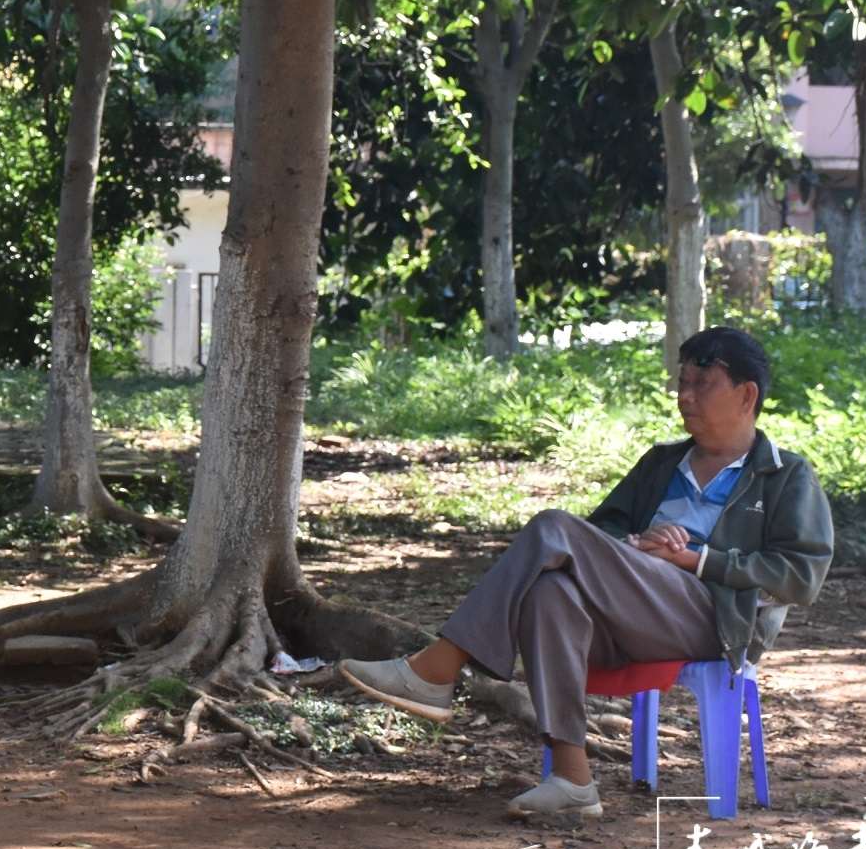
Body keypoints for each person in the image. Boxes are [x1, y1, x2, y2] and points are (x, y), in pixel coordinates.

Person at [339, 326, 832, 819]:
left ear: (747, 395)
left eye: (702, 384)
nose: (685, 396)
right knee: (550, 592)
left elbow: (800, 575)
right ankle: (573, 781)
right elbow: (602, 531)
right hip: (633, 610)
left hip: (714, 620)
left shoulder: (785, 476)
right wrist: (636, 545)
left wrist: (699, 560)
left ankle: (439, 665)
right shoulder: (662, 463)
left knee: (554, 526)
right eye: (681, 382)